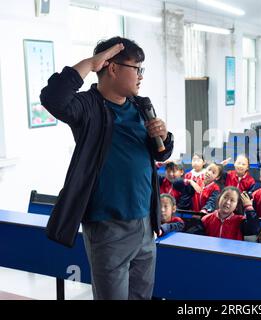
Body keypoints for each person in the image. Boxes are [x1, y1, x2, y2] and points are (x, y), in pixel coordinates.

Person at [40, 37, 174, 300]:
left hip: (145, 223)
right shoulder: (88, 107)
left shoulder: (141, 106)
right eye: (137, 69)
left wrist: (165, 137)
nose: (140, 77)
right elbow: (53, 98)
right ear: (112, 68)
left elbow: (160, 153)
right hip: (108, 226)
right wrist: (90, 64)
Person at [187, 187, 260, 240]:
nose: (227, 202)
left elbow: (254, 230)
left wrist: (249, 207)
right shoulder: (206, 219)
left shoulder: (241, 221)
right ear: (219, 199)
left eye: (232, 200)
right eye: (225, 197)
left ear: (236, 206)